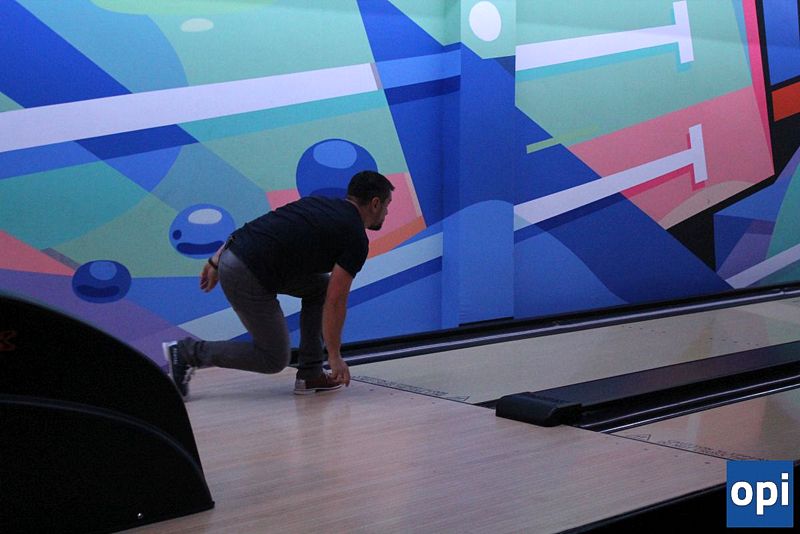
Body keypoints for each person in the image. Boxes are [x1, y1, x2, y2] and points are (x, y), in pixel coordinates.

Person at [163, 170, 394, 399]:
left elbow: (259, 227)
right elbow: (336, 300)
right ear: (375, 203)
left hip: (239, 257)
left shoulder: (318, 204)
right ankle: (185, 353)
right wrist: (335, 356)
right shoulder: (355, 237)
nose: (387, 212)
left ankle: (311, 374)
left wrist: (216, 260)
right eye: (387, 205)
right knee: (273, 358)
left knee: (320, 289)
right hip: (247, 271)